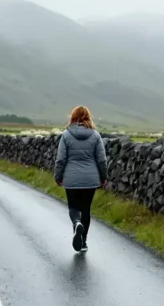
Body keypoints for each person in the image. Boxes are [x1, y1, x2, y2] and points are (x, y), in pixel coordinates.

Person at [54, 106, 107, 252]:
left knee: (73, 207)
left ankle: (76, 223)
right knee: (86, 209)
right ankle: (83, 242)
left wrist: (58, 177)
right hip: (90, 179)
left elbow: (60, 159)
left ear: (73, 117)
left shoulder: (66, 135)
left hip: (71, 179)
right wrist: (103, 177)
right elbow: (102, 160)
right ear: (88, 117)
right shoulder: (95, 135)